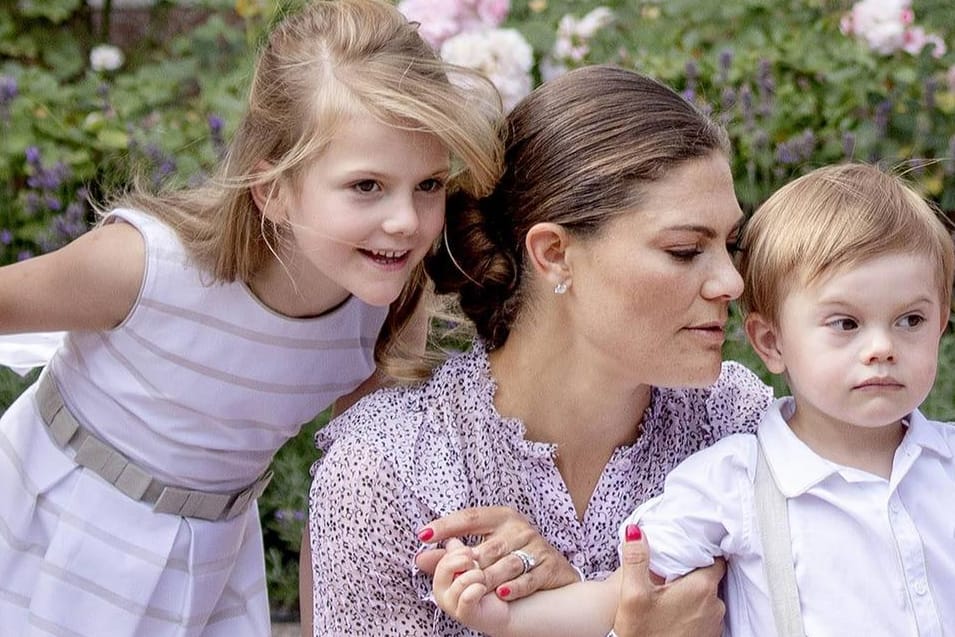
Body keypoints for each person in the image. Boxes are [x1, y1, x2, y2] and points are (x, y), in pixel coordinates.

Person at [0, 0, 502, 635]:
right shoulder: (146, 266)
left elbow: (347, 498)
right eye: (367, 186)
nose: (406, 221)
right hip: (53, 530)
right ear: (274, 190)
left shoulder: (383, 309)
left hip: (208, 563)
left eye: (428, 184)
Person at [303, 64, 774, 636]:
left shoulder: (739, 426)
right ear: (554, 253)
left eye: (729, 244)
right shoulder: (387, 474)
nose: (730, 282)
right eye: (683, 249)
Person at [432, 162, 955, 636]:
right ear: (771, 343)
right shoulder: (732, 482)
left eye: (911, 320)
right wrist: (506, 618)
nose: (883, 348)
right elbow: (622, 598)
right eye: (846, 324)